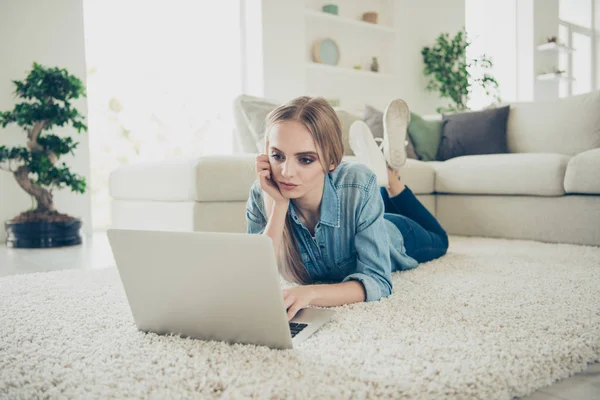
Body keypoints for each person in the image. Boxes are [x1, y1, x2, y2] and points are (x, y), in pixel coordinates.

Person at [245, 96, 448, 322]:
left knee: (440, 240)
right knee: (366, 192)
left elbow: (378, 281)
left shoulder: (358, 184)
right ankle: (383, 173)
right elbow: (256, 277)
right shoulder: (264, 190)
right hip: (360, 206)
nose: (286, 172)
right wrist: (279, 206)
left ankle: (391, 178)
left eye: (304, 159)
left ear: (331, 161)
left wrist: (310, 293)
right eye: (277, 156)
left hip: (395, 233)